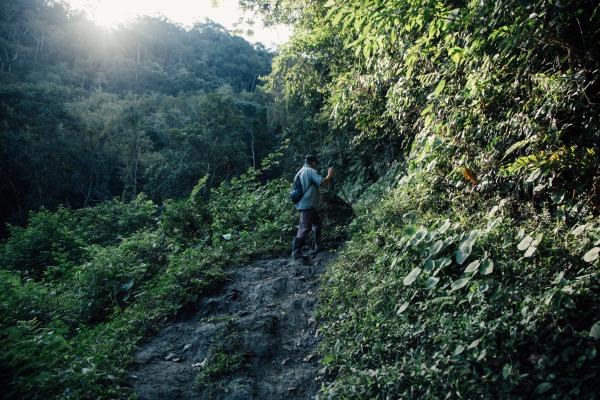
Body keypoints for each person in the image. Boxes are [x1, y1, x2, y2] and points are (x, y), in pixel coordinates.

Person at [291, 155, 334, 259]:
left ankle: (318, 246)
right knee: (304, 228)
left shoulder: (300, 172)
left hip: (306, 204)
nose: (317, 166)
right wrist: (330, 175)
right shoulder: (310, 171)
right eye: (316, 164)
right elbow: (323, 183)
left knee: (317, 224)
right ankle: (296, 253)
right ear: (313, 163)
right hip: (308, 204)